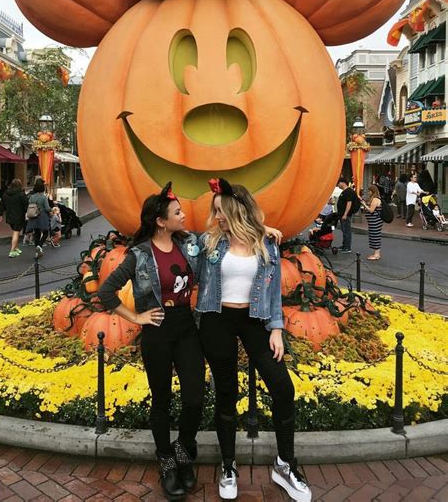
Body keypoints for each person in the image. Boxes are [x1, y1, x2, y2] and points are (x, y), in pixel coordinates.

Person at [196, 178, 311, 502]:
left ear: (236, 210)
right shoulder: (208, 243)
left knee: (282, 388)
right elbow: (177, 242)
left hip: (255, 319)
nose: (217, 217)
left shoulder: (266, 243)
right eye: (215, 211)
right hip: (217, 319)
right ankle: (229, 466)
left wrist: (276, 328)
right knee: (227, 392)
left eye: (222, 211)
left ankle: (285, 464)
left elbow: (273, 291)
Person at [97, 183, 204, 501]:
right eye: (177, 212)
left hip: (186, 327)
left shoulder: (190, 244)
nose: (184, 216)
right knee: (162, 400)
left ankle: (184, 452)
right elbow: (106, 291)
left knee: (194, 398)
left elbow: (222, 235)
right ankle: (167, 462)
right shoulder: (139, 255)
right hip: (157, 331)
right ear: (160, 221)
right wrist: (137, 318)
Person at [0, 178, 29, 257]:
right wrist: (26, 212)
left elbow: (1, 205)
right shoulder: (21, 194)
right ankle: (12, 251)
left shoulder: (5, 194)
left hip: (9, 216)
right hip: (19, 216)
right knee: (16, 232)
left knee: (15, 232)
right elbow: (26, 205)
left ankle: (15, 248)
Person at [25, 178, 52, 257]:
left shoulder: (32, 197)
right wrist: (51, 210)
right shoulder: (43, 197)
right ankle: (39, 246)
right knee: (45, 232)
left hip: (34, 217)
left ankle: (37, 251)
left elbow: (29, 204)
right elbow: (47, 208)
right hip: (42, 216)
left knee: (37, 233)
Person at [336, 177, 358, 253]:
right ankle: (344, 245)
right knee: (344, 230)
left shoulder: (348, 191)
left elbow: (349, 203)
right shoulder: (345, 191)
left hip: (346, 215)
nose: (338, 185)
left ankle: (347, 247)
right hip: (342, 214)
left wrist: (345, 214)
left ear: (342, 183)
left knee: (346, 230)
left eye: (338, 183)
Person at [361, 185, 382, 260]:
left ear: (372, 191)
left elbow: (371, 210)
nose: (368, 192)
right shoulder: (374, 199)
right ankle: (376, 253)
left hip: (375, 221)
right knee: (373, 236)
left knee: (375, 236)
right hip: (373, 221)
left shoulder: (375, 199)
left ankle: (377, 254)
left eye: (369, 191)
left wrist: (364, 204)